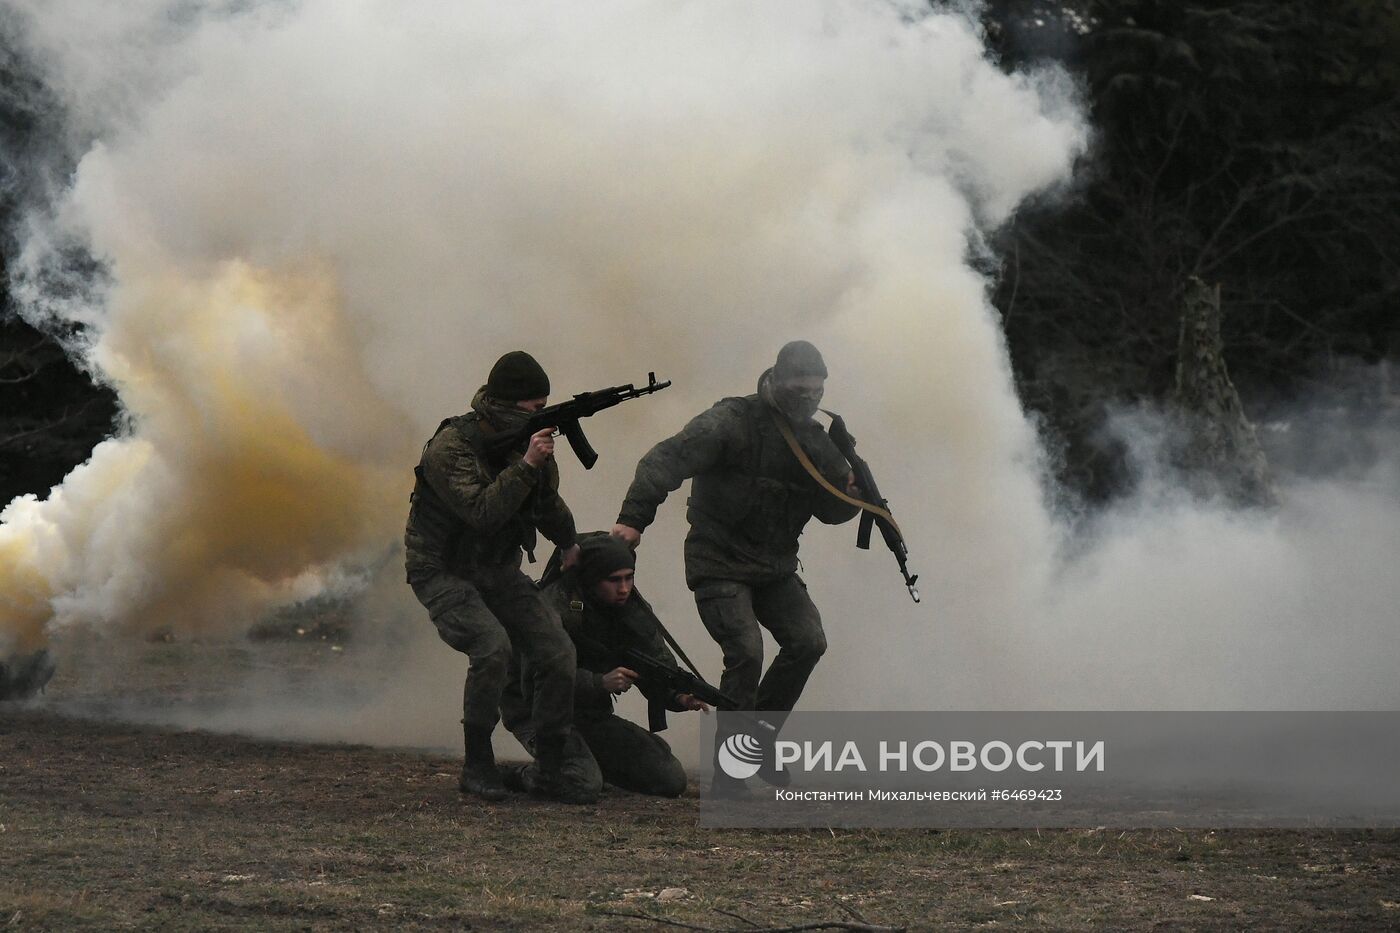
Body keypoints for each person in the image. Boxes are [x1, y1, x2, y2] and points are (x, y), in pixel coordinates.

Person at [611, 341, 859, 722]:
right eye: (799, 390)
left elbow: (828, 510)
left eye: (817, 391)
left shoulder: (816, 441)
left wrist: (851, 497)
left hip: (774, 568)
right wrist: (632, 520)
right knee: (746, 651)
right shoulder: (732, 421)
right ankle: (731, 770)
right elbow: (665, 460)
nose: (808, 399)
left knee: (809, 641)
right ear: (776, 380)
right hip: (719, 560)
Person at [404, 350, 586, 803]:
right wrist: (525, 465)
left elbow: (545, 506)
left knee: (558, 651)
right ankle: (477, 763)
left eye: (546, 409)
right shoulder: (452, 448)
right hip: (441, 570)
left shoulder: (527, 446)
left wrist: (568, 542)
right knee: (492, 648)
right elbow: (482, 513)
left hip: (497, 569)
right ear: (505, 407)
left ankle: (549, 768)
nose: (541, 418)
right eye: (533, 410)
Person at [501, 533, 708, 800]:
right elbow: (535, 681)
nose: (624, 588)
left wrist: (678, 696)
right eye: (614, 580)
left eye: (629, 577)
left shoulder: (631, 610)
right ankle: (522, 775)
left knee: (670, 779)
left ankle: (585, 764)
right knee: (582, 785)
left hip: (588, 713)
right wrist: (599, 683)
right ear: (591, 578)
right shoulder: (552, 608)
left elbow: (653, 663)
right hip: (536, 711)